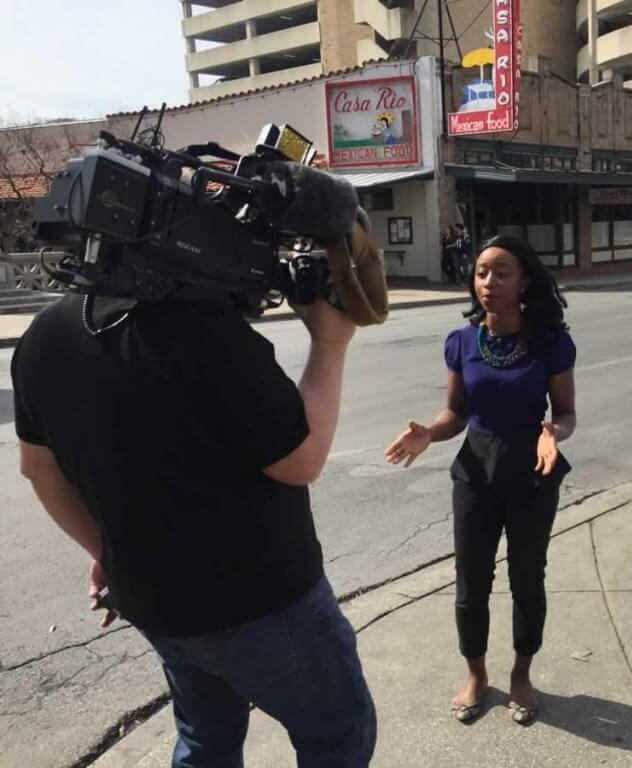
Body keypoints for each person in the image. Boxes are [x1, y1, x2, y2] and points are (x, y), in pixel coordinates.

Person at [13, 293, 377, 767]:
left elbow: (38, 469)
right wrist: (331, 339)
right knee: (339, 732)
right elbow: (301, 460)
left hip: (157, 607)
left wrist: (107, 549)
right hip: (266, 604)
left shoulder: (45, 334)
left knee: (207, 738)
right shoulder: (207, 327)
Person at [384, 235, 576, 726]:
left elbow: (567, 413)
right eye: (482, 272)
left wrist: (552, 431)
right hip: (475, 472)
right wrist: (430, 432)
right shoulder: (463, 342)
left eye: (502, 272)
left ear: (524, 281)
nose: (489, 282)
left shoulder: (550, 342)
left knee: (527, 580)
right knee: (471, 583)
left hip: (534, 473)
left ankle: (520, 675)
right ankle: (476, 674)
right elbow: (455, 412)